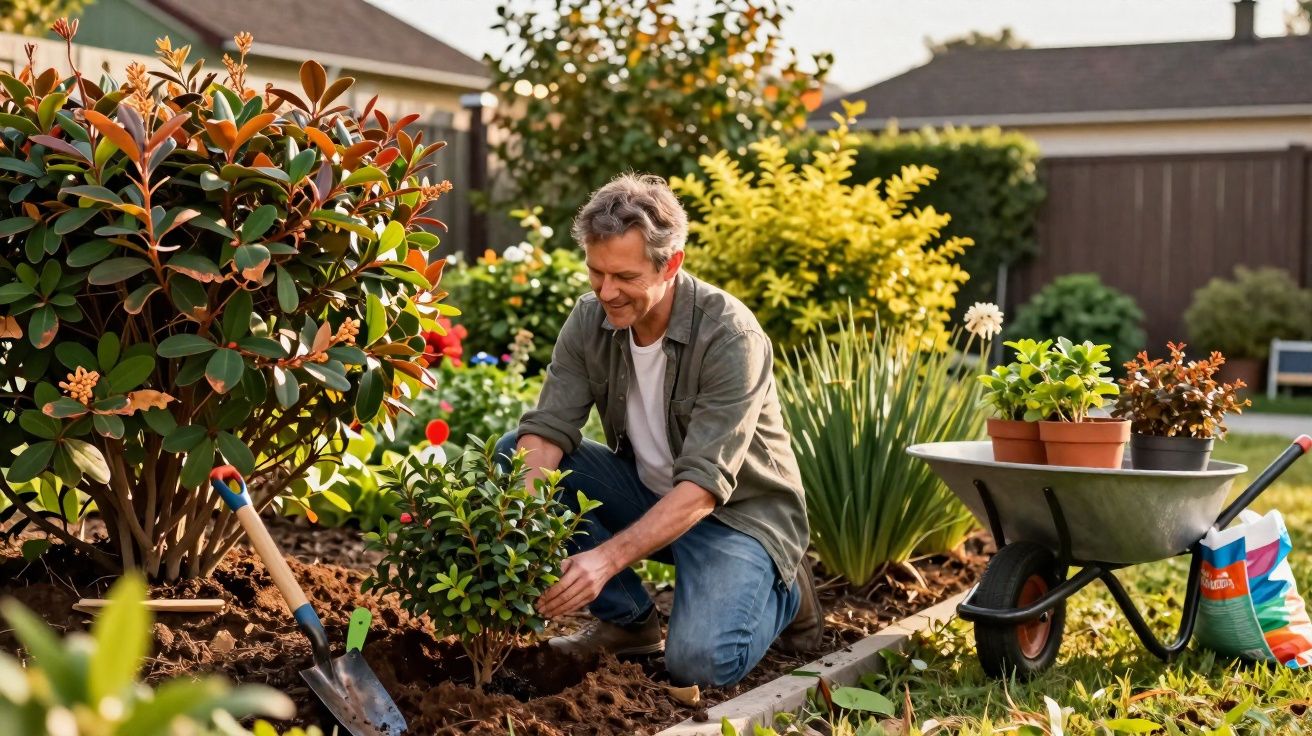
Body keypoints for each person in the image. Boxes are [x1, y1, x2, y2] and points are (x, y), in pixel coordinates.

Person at [495, 173, 822, 687]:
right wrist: (521, 526)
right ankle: (629, 623)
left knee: (697, 665)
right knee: (513, 454)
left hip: (736, 516)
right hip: (648, 495)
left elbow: (704, 486)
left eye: (624, 276)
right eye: (596, 272)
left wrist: (603, 560)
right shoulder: (590, 319)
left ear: (671, 264)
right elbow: (549, 429)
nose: (606, 291)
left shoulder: (730, 336)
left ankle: (787, 586)